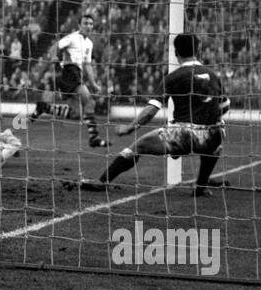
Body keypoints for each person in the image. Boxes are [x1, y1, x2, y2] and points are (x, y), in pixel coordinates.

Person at [64, 32, 230, 197]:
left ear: (175, 53)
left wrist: (129, 128)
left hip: (183, 134)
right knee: (217, 134)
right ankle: (201, 187)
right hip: (211, 136)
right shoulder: (213, 75)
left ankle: (102, 181)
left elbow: (151, 110)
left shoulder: (173, 77)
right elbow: (225, 106)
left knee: (137, 147)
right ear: (198, 50)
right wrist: (204, 116)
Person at [28, 13, 108, 147]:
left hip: (77, 74)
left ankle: (45, 107)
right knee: (87, 99)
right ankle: (94, 137)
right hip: (69, 71)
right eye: (85, 23)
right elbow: (55, 47)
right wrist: (54, 56)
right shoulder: (72, 38)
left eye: (90, 24)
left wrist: (93, 83)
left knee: (76, 113)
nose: (88, 26)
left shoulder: (89, 43)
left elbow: (87, 65)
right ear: (79, 25)